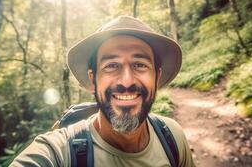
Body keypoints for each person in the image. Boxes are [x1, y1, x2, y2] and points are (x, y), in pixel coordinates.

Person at [10, 15, 195, 167]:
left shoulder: (172, 136)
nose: (126, 81)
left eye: (140, 64)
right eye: (111, 65)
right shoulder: (59, 153)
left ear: (157, 77)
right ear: (92, 80)